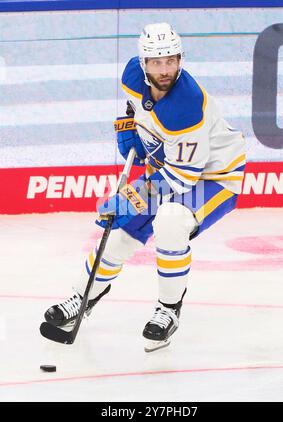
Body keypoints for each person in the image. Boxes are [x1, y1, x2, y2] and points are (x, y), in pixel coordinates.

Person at [43, 23, 246, 352]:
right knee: (120, 234)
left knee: (169, 220)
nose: (165, 70)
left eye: (171, 61)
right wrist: (131, 132)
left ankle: (169, 309)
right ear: (143, 63)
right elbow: (146, 125)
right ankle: (83, 298)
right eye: (157, 62)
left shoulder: (188, 104)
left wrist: (128, 198)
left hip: (214, 176)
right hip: (172, 168)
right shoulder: (132, 77)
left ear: (180, 60)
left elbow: (182, 179)